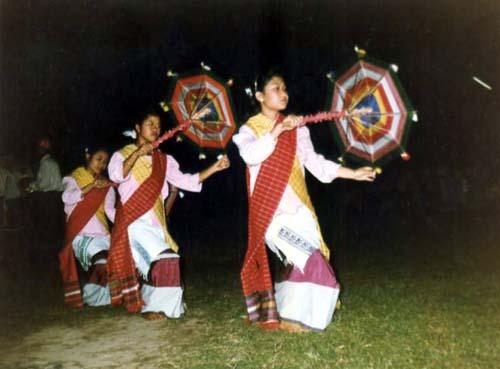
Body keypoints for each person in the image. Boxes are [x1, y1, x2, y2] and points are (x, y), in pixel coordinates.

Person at [233, 71, 376, 332]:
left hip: (300, 210)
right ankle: (306, 320)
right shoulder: (248, 130)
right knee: (312, 260)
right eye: (276, 88)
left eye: (285, 87)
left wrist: (352, 173)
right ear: (260, 96)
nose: (283, 92)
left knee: (303, 261)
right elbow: (251, 156)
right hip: (270, 215)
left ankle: (286, 314)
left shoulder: (298, 128)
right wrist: (277, 131)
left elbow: (316, 165)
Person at [107, 107, 230, 320]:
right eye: (150, 124)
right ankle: (153, 308)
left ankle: (154, 302)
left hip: (156, 225)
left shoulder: (164, 160)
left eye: (158, 125)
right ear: (137, 128)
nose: (155, 128)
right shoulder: (122, 154)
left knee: (169, 258)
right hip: (132, 224)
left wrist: (215, 168)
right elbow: (117, 175)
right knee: (164, 259)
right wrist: (137, 153)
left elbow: (186, 181)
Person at [59, 146, 116, 307]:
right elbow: (67, 198)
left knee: (117, 260)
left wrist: (127, 221)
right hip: (81, 234)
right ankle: (92, 297)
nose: (101, 164)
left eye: (105, 162)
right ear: (87, 156)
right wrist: (92, 186)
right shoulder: (72, 179)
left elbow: (110, 211)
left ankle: (101, 297)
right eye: (98, 159)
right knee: (102, 261)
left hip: (102, 235)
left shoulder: (107, 185)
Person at [26, 137, 64, 244]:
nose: (37, 151)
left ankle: (47, 244)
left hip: (48, 197)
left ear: (43, 150)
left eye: (39, 149)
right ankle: (52, 242)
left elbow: (44, 183)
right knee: (51, 222)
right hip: (55, 196)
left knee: (46, 222)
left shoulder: (46, 163)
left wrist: (31, 186)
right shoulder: (52, 162)